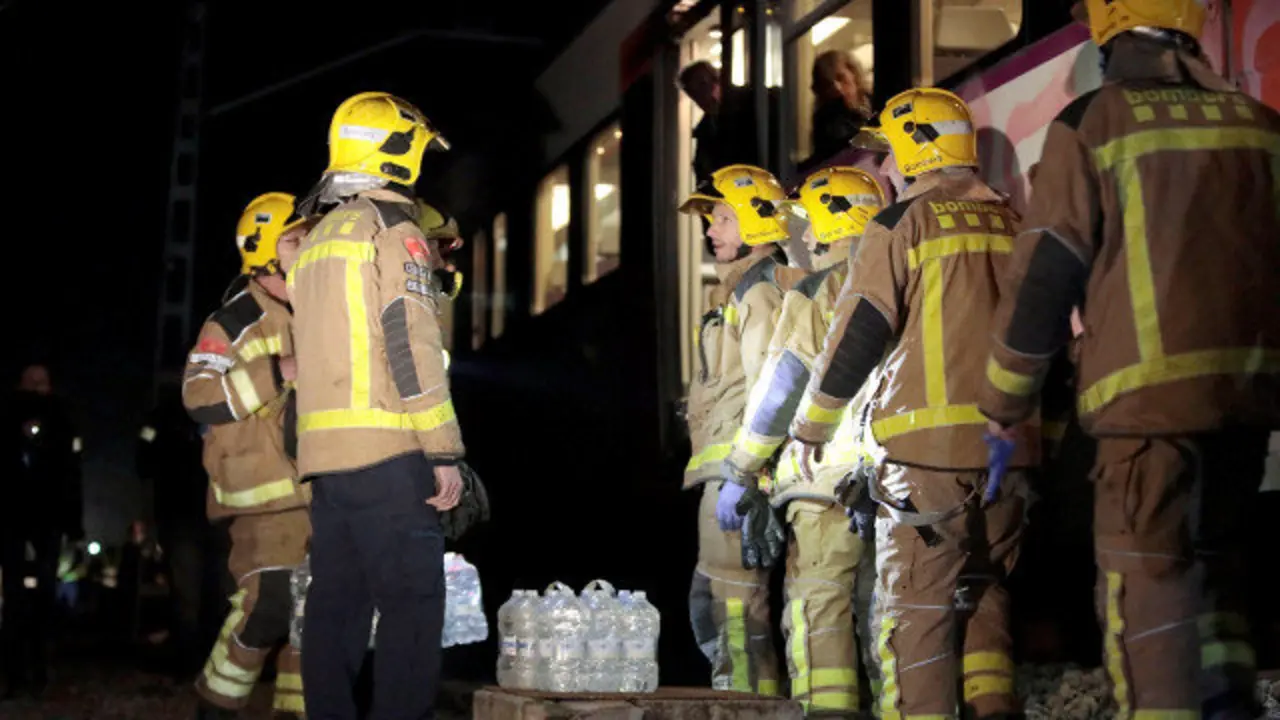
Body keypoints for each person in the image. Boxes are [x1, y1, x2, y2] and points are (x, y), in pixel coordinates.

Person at [979, 1, 1280, 716]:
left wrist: (1002, 402)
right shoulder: (1262, 125)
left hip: (1145, 411)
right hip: (1246, 402)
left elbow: (1048, 269)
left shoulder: (1096, 121)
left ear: (1111, 33)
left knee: (1149, 587)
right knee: (1219, 575)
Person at [791, 88, 1036, 719]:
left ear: (914, 153)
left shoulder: (902, 223)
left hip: (929, 461)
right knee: (985, 599)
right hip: (1011, 455)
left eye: (891, 155)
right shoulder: (1014, 222)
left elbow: (860, 332)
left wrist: (811, 426)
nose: (887, 170)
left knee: (916, 615)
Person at [289, 91, 464, 720]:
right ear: (398, 152)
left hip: (327, 465)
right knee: (413, 609)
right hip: (390, 455)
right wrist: (443, 450)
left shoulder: (315, 239)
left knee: (335, 612)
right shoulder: (395, 230)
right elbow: (410, 344)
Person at [722, 166, 884, 714]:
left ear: (824, 228)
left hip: (824, 484)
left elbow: (780, 391)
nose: (806, 239)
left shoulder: (817, 291)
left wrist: (743, 468)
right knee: (890, 618)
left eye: (810, 226)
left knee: (821, 612)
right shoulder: (900, 277)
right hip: (889, 482)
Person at [183, 192, 312, 719]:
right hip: (262, 498)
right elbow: (199, 395)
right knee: (269, 607)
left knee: (315, 618)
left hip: (314, 492)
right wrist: (280, 368)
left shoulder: (312, 310)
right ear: (265, 251)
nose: (307, 246)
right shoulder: (234, 319)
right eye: (295, 239)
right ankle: (215, 706)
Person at [677, 164, 803, 696]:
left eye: (723, 218)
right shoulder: (737, 292)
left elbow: (766, 388)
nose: (711, 230)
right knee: (722, 598)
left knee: (734, 602)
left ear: (755, 222)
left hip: (738, 470)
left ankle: (746, 706)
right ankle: (743, 699)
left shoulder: (758, 293)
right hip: (727, 466)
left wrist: (745, 474)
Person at [1, 363, 83, 699]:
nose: (36, 389)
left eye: (42, 383)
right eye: (30, 382)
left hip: (48, 521)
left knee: (44, 596)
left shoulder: (62, 423)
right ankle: (16, 673)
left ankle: (40, 670)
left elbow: (72, 476)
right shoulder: (6, 419)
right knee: (15, 599)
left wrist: (73, 523)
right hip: (11, 520)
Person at [138, 379, 218, 679]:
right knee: (187, 596)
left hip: (221, 514)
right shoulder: (165, 415)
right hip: (182, 516)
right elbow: (143, 460)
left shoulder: (228, 407)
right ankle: (188, 663)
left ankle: (214, 665)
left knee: (221, 592)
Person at [809, 50, 873, 163]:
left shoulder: (875, 100)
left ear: (853, 73)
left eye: (841, 78)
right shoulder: (827, 120)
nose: (837, 88)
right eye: (828, 84)